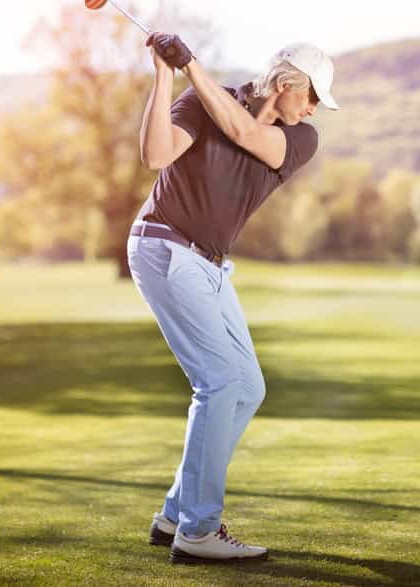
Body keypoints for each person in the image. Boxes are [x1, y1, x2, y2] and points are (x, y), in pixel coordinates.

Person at [128, 32, 339, 563]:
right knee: (219, 382)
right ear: (289, 82)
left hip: (210, 266)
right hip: (165, 248)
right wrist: (164, 75)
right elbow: (157, 154)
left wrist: (191, 64)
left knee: (247, 386)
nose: (314, 108)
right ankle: (198, 529)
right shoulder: (200, 100)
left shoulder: (301, 139)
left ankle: (177, 513)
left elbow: (245, 130)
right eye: (312, 95)